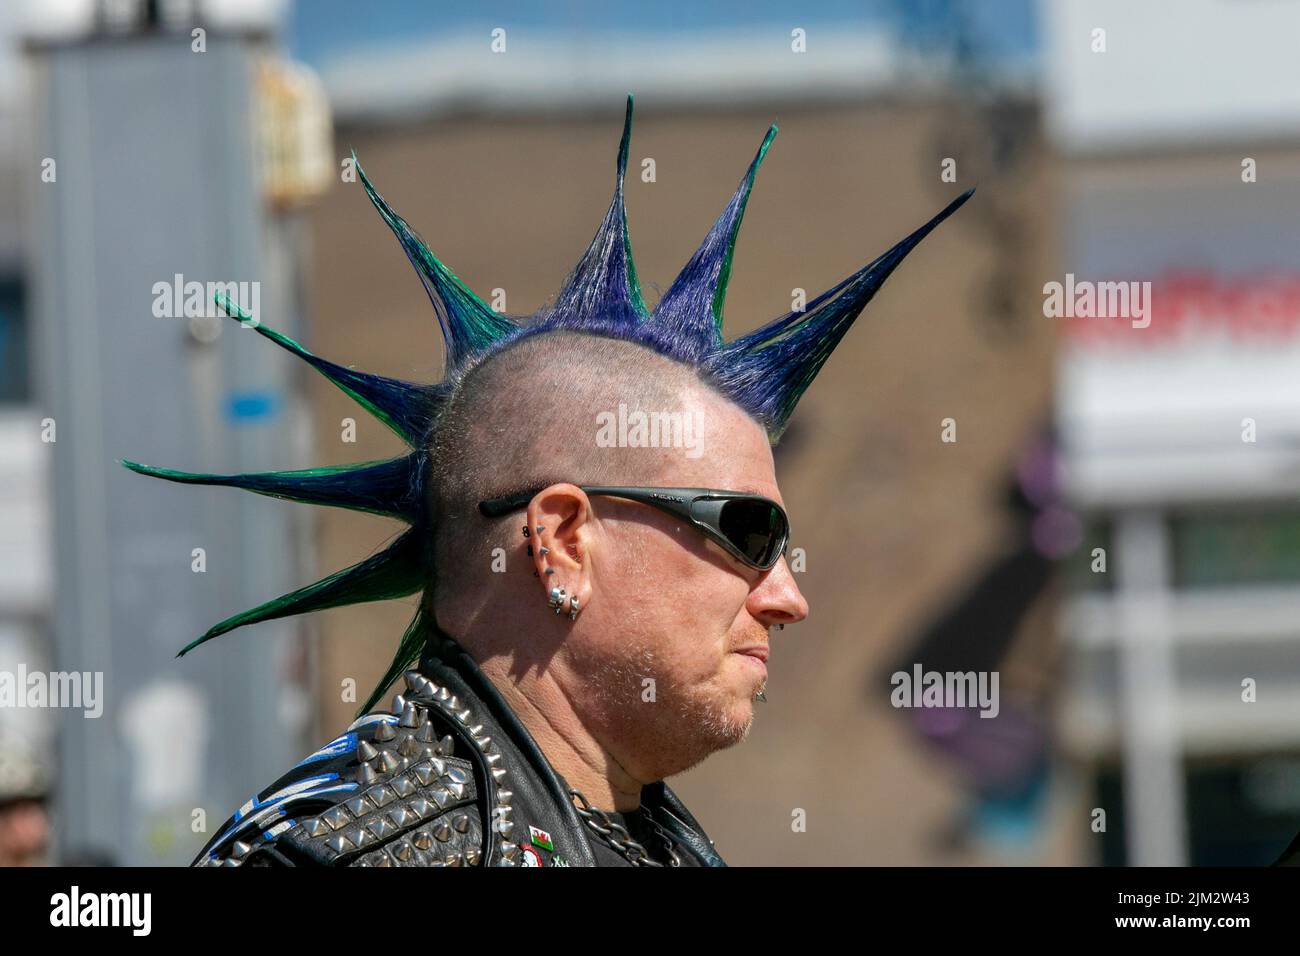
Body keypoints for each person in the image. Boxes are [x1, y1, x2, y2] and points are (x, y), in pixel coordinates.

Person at [126, 95, 971, 867]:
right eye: (748, 535)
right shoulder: (369, 856)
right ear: (563, 543)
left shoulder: (645, 835)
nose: (787, 596)